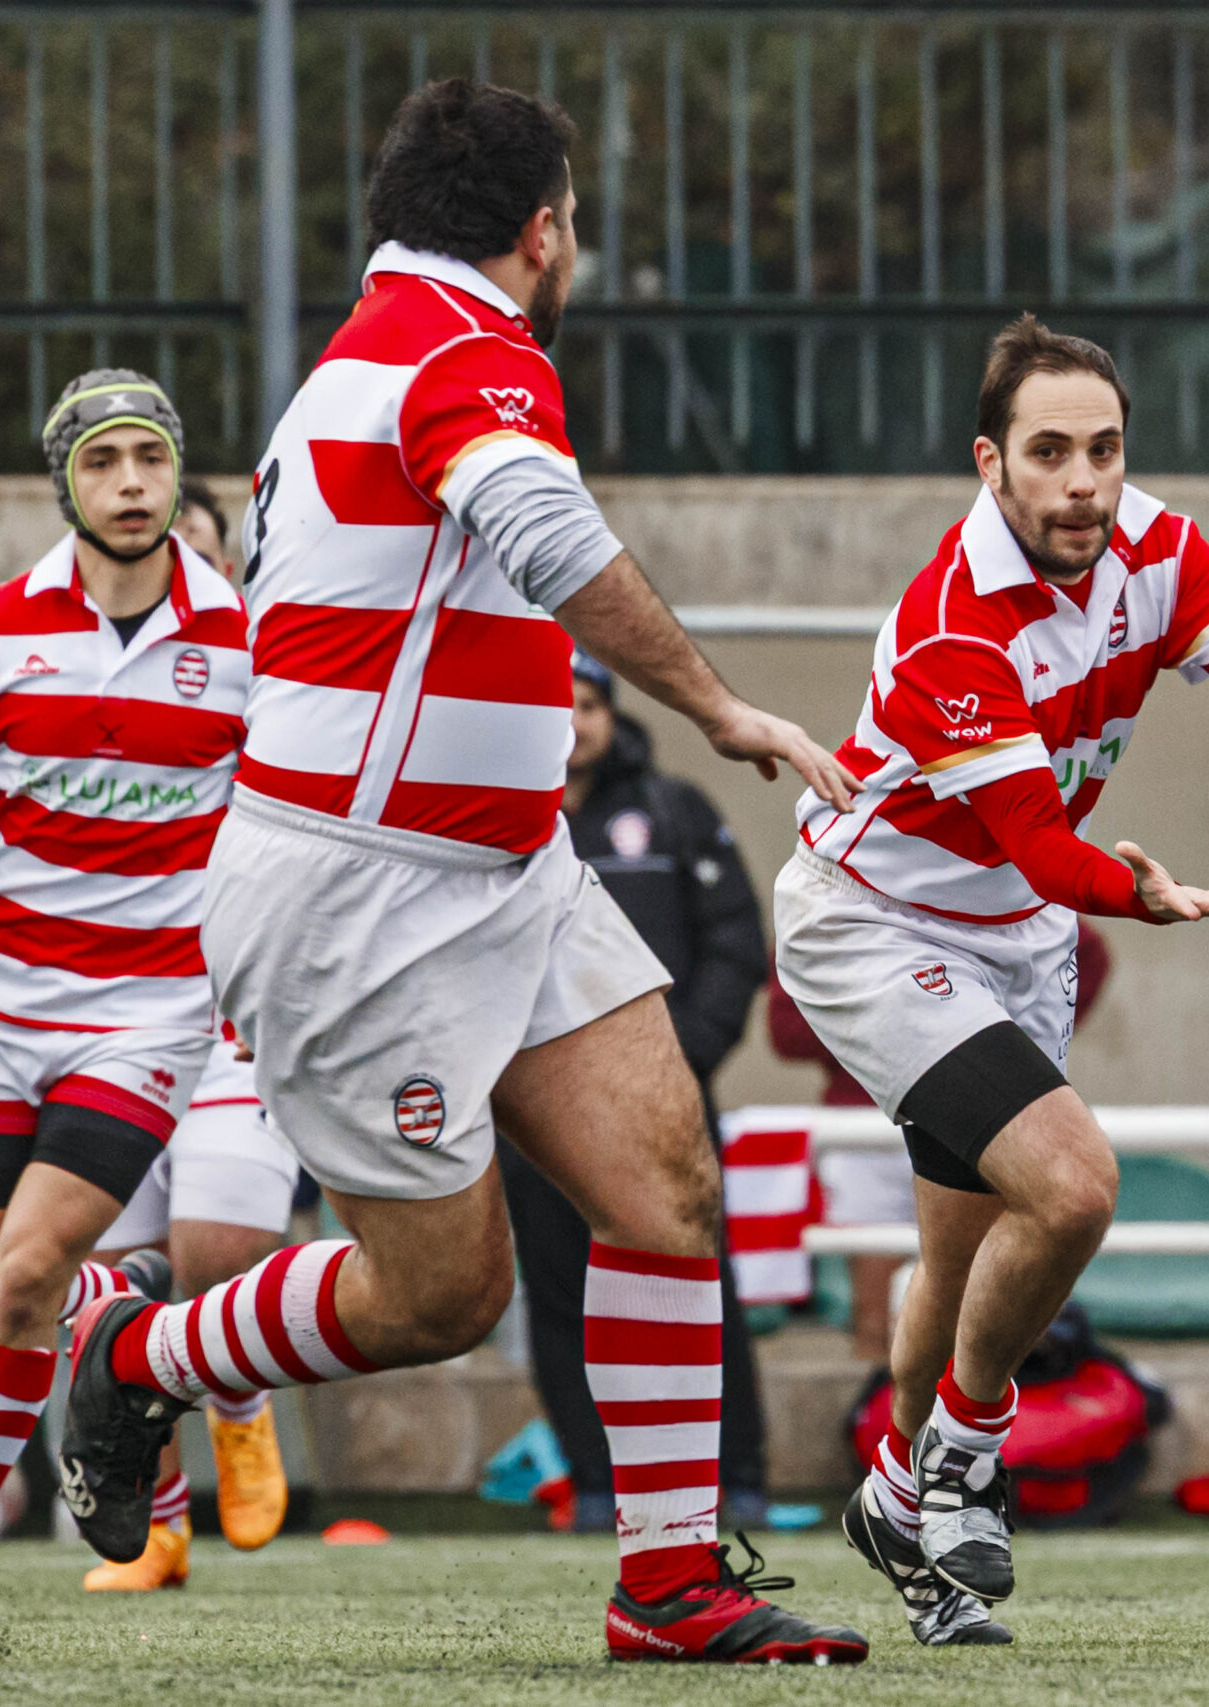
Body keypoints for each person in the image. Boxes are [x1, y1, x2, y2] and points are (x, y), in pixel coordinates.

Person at [52, 81, 868, 1666]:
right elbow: (542, 528)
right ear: (542, 228)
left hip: (503, 869)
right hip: (359, 900)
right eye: (575, 219)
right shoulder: (464, 349)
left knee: (665, 1187)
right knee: (443, 1295)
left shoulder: (372, 354)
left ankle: (670, 1580)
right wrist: (715, 704)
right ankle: (139, 1348)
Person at [780, 315, 1209, 1644]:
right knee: (1073, 1186)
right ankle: (962, 1459)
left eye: (1104, 450)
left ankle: (901, 1499)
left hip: (1017, 936)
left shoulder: (1158, 547)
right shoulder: (954, 620)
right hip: (880, 926)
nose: (1082, 481)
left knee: (955, 1265)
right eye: (1049, 451)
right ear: (990, 462)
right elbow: (1042, 845)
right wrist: (1151, 890)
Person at [0, 370, 251, 1624]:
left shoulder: (248, 636)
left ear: (177, 475)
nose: (130, 484)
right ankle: (109, 1310)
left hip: (147, 1021)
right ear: (65, 481)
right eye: (102, 462)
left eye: (150, 458)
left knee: (21, 1277)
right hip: (4, 1009)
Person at [74, 478, 301, 1592]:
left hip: (233, 1009)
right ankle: (158, 1522)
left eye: (202, 549)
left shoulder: (265, 664)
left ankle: (242, 1406)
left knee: (216, 1255)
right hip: (114, 1012)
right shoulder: (77, 670)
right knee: (115, 1275)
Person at [495, 650, 772, 1534]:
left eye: (588, 703)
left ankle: (737, 1477)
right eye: (554, 701)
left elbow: (734, 941)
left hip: (663, 1103)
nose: (572, 720)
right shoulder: (497, 823)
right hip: (532, 1108)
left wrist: (677, 1061)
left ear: (612, 715)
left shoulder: (674, 812)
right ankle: (593, 1480)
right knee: (558, 1289)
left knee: (693, 1278)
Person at [768, 921, 1111, 1366]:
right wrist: (912, 1029)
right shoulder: (837, 892)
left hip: (980, 1114)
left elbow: (1087, 953)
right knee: (875, 1326)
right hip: (869, 1121)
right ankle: (885, 1424)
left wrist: (1004, 1041)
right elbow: (786, 1029)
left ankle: (969, 1430)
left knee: (981, 1316)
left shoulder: (980, 879)